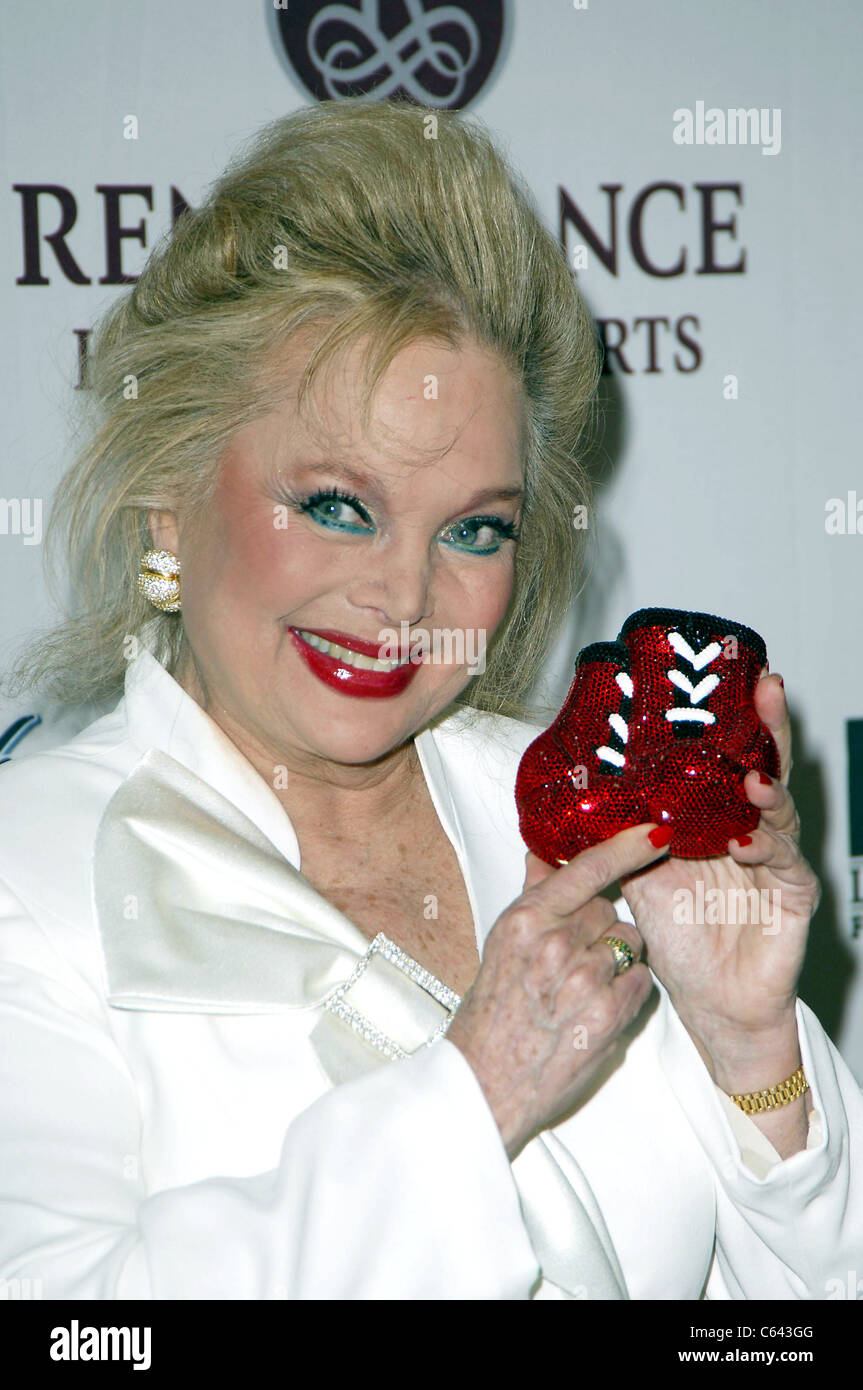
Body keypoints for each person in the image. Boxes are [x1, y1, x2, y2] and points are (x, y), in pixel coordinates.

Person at [0, 98, 860, 1301]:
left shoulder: (593, 829)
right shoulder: (28, 873)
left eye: (473, 527)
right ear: (165, 497)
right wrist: (472, 1096)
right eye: (336, 503)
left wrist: (749, 1049)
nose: (403, 595)